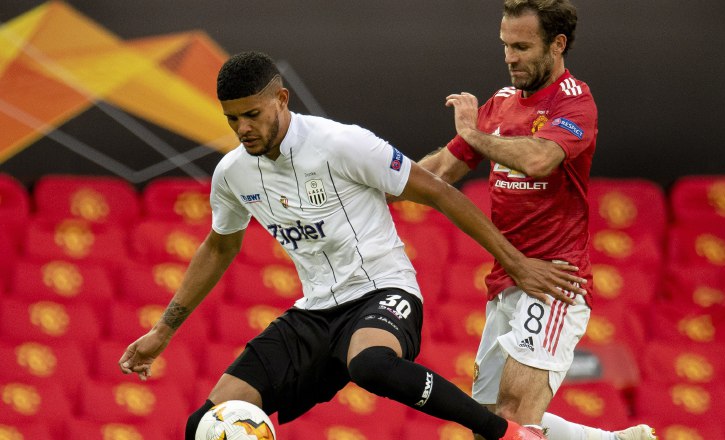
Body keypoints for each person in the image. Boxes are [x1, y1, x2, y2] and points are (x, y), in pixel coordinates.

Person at [118, 51, 588, 440]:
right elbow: (219, 248)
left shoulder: (342, 144)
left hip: (384, 292)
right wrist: (162, 331)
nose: (242, 129)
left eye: (252, 115)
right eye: (232, 119)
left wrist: (518, 264)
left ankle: (505, 435)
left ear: (281, 99)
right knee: (202, 426)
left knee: (370, 365)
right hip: (315, 312)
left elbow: (441, 192)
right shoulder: (234, 174)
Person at [418, 1, 656, 440]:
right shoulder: (500, 104)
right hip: (507, 278)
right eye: (506, 46)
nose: (510, 58)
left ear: (557, 44)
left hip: (555, 281)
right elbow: (441, 172)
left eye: (523, 47)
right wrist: (376, 173)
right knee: (486, 424)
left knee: (512, 410)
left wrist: (473, 133)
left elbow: (539, 159)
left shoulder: (576, 102)